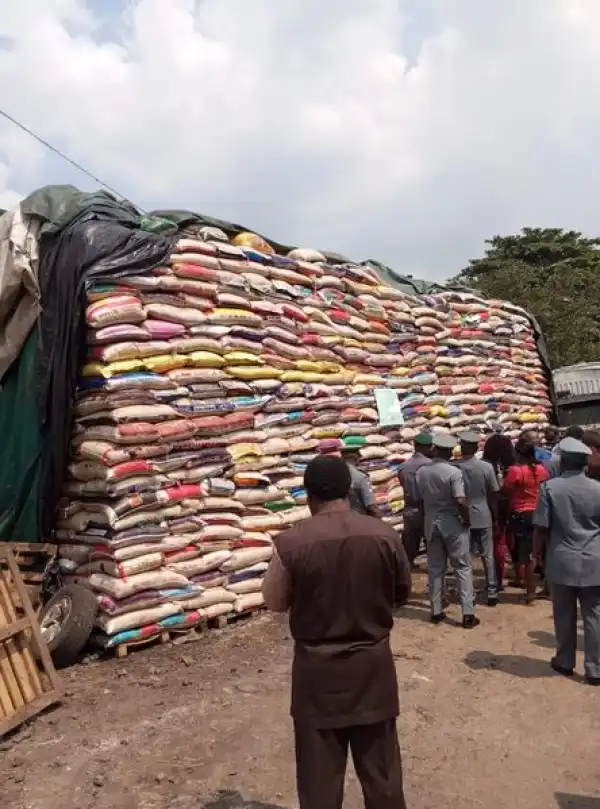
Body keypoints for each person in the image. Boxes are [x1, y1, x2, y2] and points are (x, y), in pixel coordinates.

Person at [262, 454, 412, 809]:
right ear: (349, 489)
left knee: (319, 784)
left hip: (318, 679)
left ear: (309, 495)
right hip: (372, 671)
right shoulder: (385, 536)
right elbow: (401, 593)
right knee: (383, 779)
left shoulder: (290, 544)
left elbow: (274, 602)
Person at [531, 437, 600, 685]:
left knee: (564, 614)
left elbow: (541, 527)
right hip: (594, 561)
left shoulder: (549, 488)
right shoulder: (597, 488)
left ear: (562, 461)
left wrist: (535, 555)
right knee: (594, 616)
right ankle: (595, 669)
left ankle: (565, 661)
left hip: (562, 561)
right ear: (584, 463)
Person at [415, 433, 479, 628]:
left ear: (434, 450)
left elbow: (419, 499)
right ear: (450, 452)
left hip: (431, 522)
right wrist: (467, 519)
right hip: (452, 522)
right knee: (462, 567)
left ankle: (436, 610)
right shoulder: (453, 472)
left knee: (435, 568)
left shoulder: (422, 472)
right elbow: (460, 499)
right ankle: (467, 613)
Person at [454, 431, 500, 606]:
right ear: (476, 448)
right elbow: (493, 493)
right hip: (483, 513)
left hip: (463, 515)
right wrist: (495, 516)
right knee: (487, 554)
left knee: (466, 556)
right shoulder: (486, 467)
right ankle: (492, 591)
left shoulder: (455, 467)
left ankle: (468, 593)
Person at [501, 436, 549, 602]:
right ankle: (547, 587)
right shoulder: (541, 469)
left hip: (522, 514)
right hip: (540, 512)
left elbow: (505, 490)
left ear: (518, 454)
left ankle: (530, 592)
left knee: (528, 555)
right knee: (543, 552)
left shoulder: (516, 471)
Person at [482, 432, 516, 588]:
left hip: (493, 507)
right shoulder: (514, 467)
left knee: (497, 544)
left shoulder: (485, 467)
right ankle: (520, 573)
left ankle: (498, 578)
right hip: (513, 506)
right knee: (514, 541)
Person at [398, 432, 433, 566]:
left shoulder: (403, 466)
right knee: (430, 540)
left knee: (410, 541)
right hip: (426, 508)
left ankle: (407, 566)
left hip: (410, 508)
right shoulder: (430, 465)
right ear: (428, 447)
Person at [341, 446, 382, 518]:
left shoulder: (335, 474)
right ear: (356, 458)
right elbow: (371, 506)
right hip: (358, 520)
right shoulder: (361, 477)